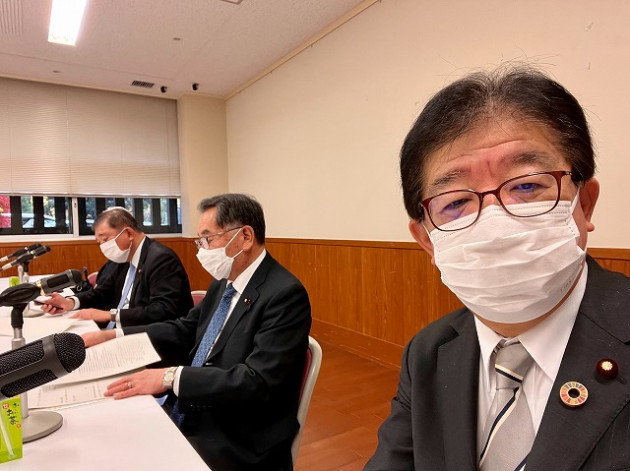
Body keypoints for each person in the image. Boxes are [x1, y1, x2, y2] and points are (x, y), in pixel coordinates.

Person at [365, 67, 630, 470]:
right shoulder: (428, 352)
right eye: (455, 202)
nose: (495, 223)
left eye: (527, 185)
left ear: (585, 204)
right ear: (427, 241)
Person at [83, 194, 312, 471]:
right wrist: (114, 335)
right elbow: (185, 327)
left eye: (207, 239)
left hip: (238, 434)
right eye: (199, 241)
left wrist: (171, 376)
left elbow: (257, 380)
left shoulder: (285, 294)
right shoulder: (225, 281)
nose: (202, 250)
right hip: (198, 405)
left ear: (245, 237)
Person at [43, 207, 193, 327]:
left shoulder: (161, 258)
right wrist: (69, 302)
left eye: (105, 239)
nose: (103, 246)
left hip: (153, 338)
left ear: (128, 233)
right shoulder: (123, 256)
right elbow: (102, 293)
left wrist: (109, 315)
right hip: (122, 329)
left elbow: (162, 310)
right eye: (99, 242)